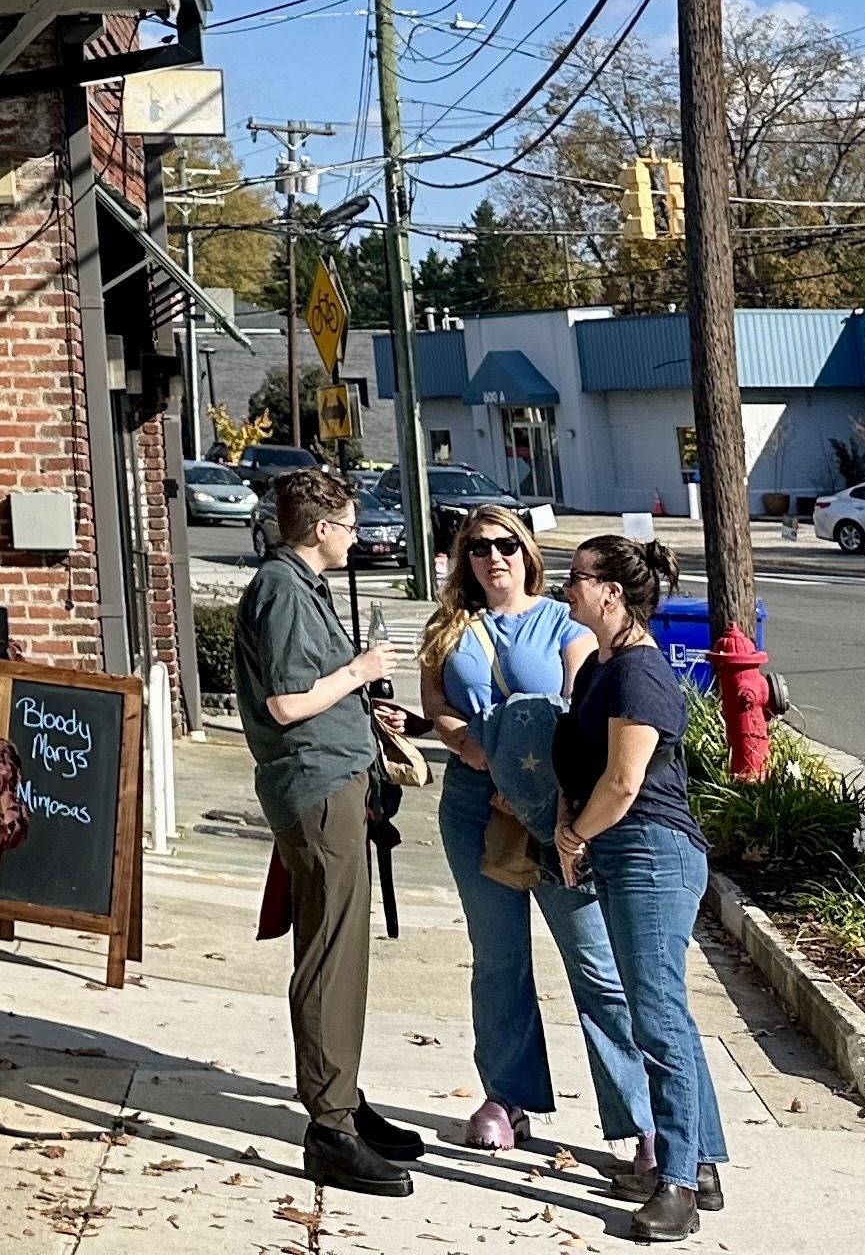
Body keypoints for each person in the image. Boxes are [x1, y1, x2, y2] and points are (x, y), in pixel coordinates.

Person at [419, 507, 649, 1156]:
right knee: (499, 959)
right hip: (473, 804)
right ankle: (507, 1097)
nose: (495, 557)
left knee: (594, 964)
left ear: (527, 553)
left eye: (508, 545)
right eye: (480, 547)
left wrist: (540, 781)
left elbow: (580, 704)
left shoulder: (561, 620)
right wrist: (464, 742)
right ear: (465, 559)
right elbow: (435, 705)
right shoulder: (448, 628)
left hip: (554, 808)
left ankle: (639, 1119)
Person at [232, 465, 425, 1196]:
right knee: (330, 953)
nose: (354, 536)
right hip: (314, 789)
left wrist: (356, 705)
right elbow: (285, 703)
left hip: (334, 780)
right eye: (347, 525)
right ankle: (330, 1127)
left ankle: (343, 1094)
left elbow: (309, 691)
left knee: (344, 952)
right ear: (321, 529)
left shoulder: (296, 586)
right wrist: (361, 671)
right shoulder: (282, 590)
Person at [557, 534, 725, 1240]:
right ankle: (704, 1161)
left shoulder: (638, 673)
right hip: (624, 854)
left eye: (576, 578)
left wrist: (574, 836)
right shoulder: (601, 666)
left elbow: (625, 783)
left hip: (651, 853)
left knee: (657, 1019)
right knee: (660, 1014)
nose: (566, 589)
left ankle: (678, 1185)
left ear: (611, 593)